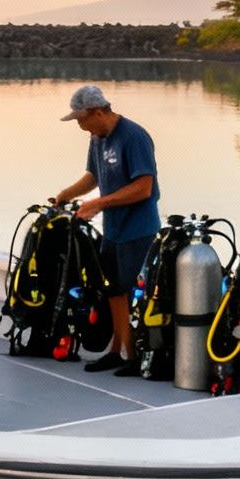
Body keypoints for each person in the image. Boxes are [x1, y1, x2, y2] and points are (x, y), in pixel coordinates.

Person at [48, 84, 160, 374]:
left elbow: (143, 188)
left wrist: (98, 203)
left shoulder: (134, 137)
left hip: (138, 229)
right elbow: (93, 176)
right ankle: (118, 350)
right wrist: (64, 196)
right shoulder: (97, 138)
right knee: (113, 291)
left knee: (132, 293)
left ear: (98, 112)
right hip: (113, 229)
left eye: (81, 119)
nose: (80, 126)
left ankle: (135, 354)